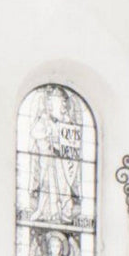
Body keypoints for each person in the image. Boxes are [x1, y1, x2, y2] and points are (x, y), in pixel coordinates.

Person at [24, 85, 83, 225]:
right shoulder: (44, 119)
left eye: (64, 101)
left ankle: (66, 211)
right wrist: (47, 132)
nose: (63, 105)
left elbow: (72, 141)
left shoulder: (67, 121)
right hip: (48, 159)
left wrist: (59, 140)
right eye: (59, 101)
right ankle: (46, 211)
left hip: (62, 161)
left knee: (64, 186)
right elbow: (35, 133)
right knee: (46, 184)